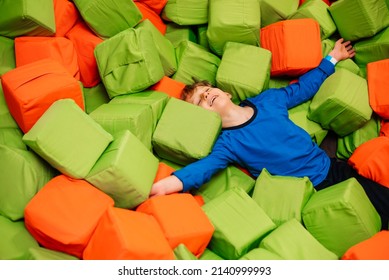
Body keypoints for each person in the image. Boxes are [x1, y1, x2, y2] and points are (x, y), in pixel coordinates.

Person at [150, 38, 389, 229]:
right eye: (199, 101)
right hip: (308, 193)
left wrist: (332, 58)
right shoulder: (228, 143)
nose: (206, 96)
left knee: (381, 198)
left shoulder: (267, 101)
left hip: (331, 167)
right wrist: (169, 184)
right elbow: (204, 168)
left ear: (225, 92)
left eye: (207, 90)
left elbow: (301, 90)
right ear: (202, 116)